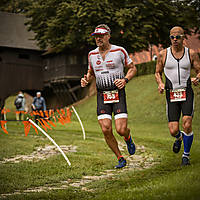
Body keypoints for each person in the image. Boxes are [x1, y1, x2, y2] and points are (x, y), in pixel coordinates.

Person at [81, 24, 137, 168]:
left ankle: (128, 137)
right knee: (106, 129)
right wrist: (86, 79)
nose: (98, 38)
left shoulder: (119, 51)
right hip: (102, 95)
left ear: (108, 36)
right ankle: (120, 158)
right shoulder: (91, 55)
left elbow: (132, 68)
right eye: (96, 36)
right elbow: (91, 73)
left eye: (101, 35)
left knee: (120, 129)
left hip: (118, 93)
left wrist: (125, 80)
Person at [155, 26, 200, 166]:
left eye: (178, 37)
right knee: (173, 130)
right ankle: (179, 137)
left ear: (183, 37)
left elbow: (199, 70)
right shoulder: (163, 54)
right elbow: (157, 72)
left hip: (186, 93)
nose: (175, 40)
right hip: (171, 94)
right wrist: (160, 83)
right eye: (172, 37)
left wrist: (197, 78)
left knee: (187, 123)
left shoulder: (191, 54)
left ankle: (185, 156)